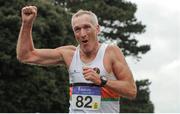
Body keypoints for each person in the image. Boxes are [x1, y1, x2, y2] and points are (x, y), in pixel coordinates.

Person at [16, 5, 137, 113]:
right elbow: (26, 55)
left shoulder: (110, 52)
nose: (82, 33)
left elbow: (131, 91)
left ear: (97, 29)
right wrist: (27, 24)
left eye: (87, 27)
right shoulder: (69, 54)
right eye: (77, 29)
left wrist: (102, 81)